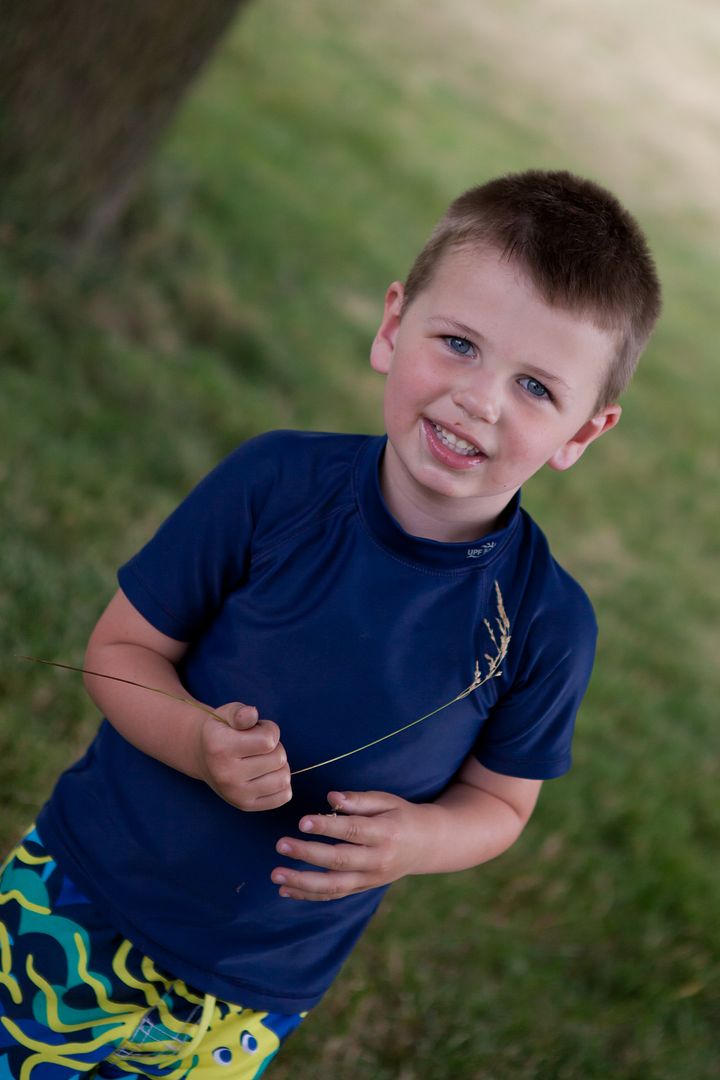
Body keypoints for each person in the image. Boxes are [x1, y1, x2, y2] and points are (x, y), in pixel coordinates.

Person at [0, 170, 661, 1079]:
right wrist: (197, 740)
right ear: (393, 327)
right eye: (460, 343)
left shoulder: (548, 626)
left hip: (254, 983)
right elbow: (120, 652)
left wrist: (420, 840)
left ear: (585, 433)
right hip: (82, 888)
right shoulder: (272, 486)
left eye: (537, 388)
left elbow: (501, 804)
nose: (481, 399)